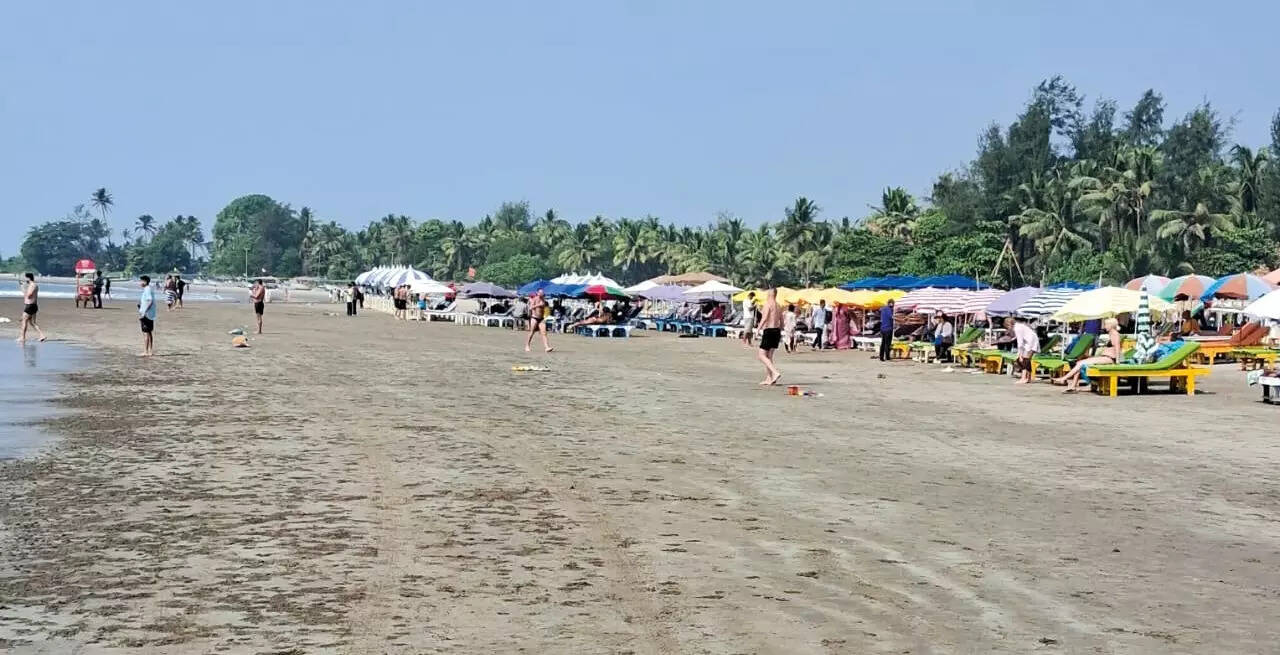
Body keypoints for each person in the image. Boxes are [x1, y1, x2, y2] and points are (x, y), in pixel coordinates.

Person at [1054, 318, 1122, 393]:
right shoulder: (1111, 334)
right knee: (1079, 362)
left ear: (1111, 325)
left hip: (1109, 358)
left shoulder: (1115, 334)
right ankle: (1072, 386)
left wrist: (1117, 362)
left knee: (1080, 363)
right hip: (1104, 357)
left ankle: (1064, 379)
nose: (1104, 326)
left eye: (1106, 324)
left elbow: (1117, 348)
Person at [756, 288, 783, 385]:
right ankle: (769, 378)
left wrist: (758, 329)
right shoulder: (779, 306)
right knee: (769, 356)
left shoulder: (768, 304)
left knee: (761, 355)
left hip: (769, 330)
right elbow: (782, 321)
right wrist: (780, 331)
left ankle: (775, 372)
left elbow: (764, 318)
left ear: (770, 294)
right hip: (776, 331)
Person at [18, 272, 46, 343]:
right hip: (33, 306)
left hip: (30, 306)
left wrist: (24, 289)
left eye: (25, 278)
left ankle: (23, 337)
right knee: (32, 323)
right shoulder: (33, 285)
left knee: (24, 321)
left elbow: (29, 295)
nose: (24, 280)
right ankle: (42, 335)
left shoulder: (32, 285)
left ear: (28, 278)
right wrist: (23, 287)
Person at [1013, 316, 1039, 384]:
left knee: (1024, 360)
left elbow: (1020, 342)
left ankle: (1024, 378)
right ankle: (1028, 378)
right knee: (1026, 360)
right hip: (1031, 340)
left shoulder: (1017, 327)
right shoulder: (1021, 325)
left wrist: (1020, 354)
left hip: (1031, 342)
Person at [138, 275, 156, 357]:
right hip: (149, 314)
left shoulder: (147, 289)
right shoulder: (148, 289)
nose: (140, 283)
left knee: (146, 333)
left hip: (146, 314)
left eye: (141, 281)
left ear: (145, 281)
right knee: (149, 332)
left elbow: (150, 301)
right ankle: (150, 351)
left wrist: (144, 311)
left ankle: (146, 351)